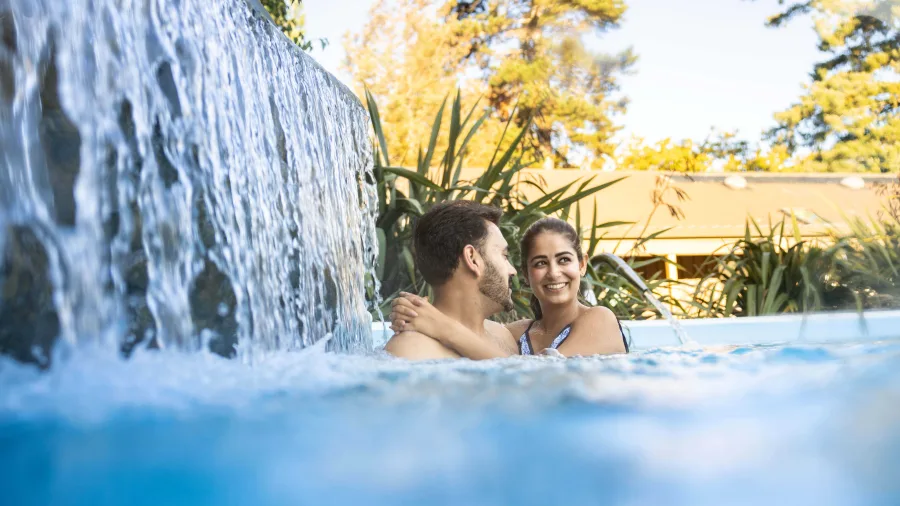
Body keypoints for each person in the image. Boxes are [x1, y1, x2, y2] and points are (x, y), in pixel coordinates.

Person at [390, 217, 628, 358]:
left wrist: (444, 328)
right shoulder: (512, 335)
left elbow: (544, 380)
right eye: (541, 263)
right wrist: (411, 311)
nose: (554, 272)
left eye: (564, 259)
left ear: (582, 264)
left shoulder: (599, 319)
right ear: (525, 273)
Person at [383, 200, 520, 360]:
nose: (513, 270)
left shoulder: (504, 336)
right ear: (473, 259)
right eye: (504, 256)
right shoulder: (412, 351)